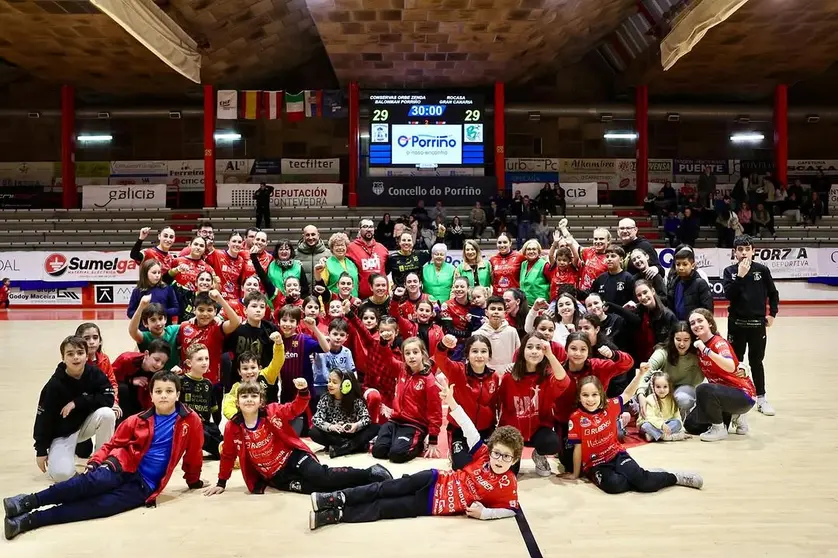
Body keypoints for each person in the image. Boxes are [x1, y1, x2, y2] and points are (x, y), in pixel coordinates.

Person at [5, 371, 205, 540]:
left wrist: (193, 481)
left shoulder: (190, 420)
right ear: (150, 395)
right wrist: (95, 462)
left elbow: (194, 454)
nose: (164, 396)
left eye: (169, 391)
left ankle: (29, 521)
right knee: (85, 485)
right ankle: (28, 501)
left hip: (143, 486)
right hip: (121, 466)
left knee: (98, 506)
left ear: (178, 394)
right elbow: (112, 444)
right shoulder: (136, 420)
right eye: (158, 391)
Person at [308, 375, 522, 529]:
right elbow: (467, 426)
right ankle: (336, 498)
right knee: (384, 488)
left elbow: (511, 509)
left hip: (431, 504)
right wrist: (451, 402)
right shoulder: (483, 454)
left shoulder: (508, 484)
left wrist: (485, 514)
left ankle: (336, 515)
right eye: (497, 453)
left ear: (515, 459)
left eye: (506, 457)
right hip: (433, 479)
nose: (499, 460)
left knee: (384, 508)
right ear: (491, 449)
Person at [204, 379, 391, 497]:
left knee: (322, 477)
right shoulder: (233, 427)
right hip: (275, 476)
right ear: (238, 402)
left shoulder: (272, 411)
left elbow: (294, 408)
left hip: (292, 457)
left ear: (261, 400)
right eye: (244, 396)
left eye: (254, 395)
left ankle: (370, 473)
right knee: (316, 489)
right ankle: (365, 486)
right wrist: (221, 482)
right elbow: (228, 454)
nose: (249, 400)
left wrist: (302, 393)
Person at [564, 371, 703, 493]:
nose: (590, 399)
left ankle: (674, 476)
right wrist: (576, 474)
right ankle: (644, 475)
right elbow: (578, 447)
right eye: (585, 395)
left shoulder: (610, 406)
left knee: (645, 484)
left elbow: (627, 393)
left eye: (594, 394)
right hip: (596, 464)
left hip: (616, 454)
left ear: (601, 394)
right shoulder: (576, 418)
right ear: (579, 397)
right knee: (615, 486)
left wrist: (640, 374)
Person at [32, 336, 116, 482]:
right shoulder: (54, 385)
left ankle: (100, 461)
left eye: (80, 352)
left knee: (107, 414)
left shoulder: (94, 373)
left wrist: (78, 402)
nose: (76, 357)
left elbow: (108, 398)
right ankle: (61, 458)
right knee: (61, 475)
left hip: (86, 425)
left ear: (86, 355)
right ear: (63, 358)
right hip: (63, 433)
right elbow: (43, 418)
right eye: (70, 354)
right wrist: (40, 450)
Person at [722, 235, 779, 416]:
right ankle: (736, 398)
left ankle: (761, 399)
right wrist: (740, 276)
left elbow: (773, 293)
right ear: (735, 252)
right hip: (736, 325)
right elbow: (729, 295)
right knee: (735, 363)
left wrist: (772, 314)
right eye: (740, 249)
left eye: (747, 249)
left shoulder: (762, 270)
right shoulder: (729, 271)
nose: (744, 252)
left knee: (756, 362)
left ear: (753, 251)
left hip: (757, 325)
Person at [498, 334, 570, 476]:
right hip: (514, 431)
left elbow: (564, 381)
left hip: (539, 430)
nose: (534, 351)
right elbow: (500, 404)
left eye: (539, 348)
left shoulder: (548, 376)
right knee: (509, 475)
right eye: (529, 347)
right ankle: (514, 454)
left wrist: (549, 354)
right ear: (522, 351)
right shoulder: (509, 377)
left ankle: (538, 454)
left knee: (552, 443)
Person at [685, 309, 756, 442]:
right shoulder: (698, 346)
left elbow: (730, 366)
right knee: (691, 425)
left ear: (710, 323)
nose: (696, 325)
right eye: (692, 323)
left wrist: (706, 350)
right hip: (723, 395)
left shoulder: (718, 343)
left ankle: (719, 428)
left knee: (703, 389)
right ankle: (733, 416)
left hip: (743, 395)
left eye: (700, 321)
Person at [372, 337, 442, 463]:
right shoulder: (401, 370)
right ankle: (397, 440)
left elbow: (435, 411)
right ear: (403, 356)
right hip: (395, 421)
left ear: (423, 354)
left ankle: (419, 444)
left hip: (414, 424)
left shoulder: (429, 380)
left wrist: (433, 439)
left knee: (397, 455)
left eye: (415, 352)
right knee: (378, 451)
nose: (411, 356)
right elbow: (387, 359)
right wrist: (383, 343)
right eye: (407, 353)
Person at [437, 334, 500, 470]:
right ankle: (453, 453)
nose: (479, 355)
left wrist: (494, 427)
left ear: (489, 354)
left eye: (483, 351)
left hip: (485, 430)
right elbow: (440, 359)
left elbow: (494, 404)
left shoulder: (494, 376)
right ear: (467, 354)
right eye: (474, 351)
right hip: (459, 429)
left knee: (489, 466)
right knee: (462, 466)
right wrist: (443, 345)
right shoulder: (457, 371)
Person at [635, 322, 704, 417]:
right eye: (678, 339)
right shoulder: (662, 352)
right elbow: (645, 373)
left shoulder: (698, 355)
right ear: (672, 338)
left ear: (691, 340)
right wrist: (641, 394)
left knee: (683, 399)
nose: (682, 344)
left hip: (684, 391)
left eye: (686, 340)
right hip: (661, 390)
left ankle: (681, 420)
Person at [310, 369, 380, 458]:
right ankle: (354, 446)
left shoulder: (356, 400)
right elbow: (316, 419)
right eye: (329, 381)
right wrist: (330, 426)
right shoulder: (325, 398)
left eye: (334, 382)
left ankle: (343, 448)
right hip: (335, 434)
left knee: (376, 427)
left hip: (353, 434)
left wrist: (356, 425)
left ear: (346, 385)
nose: (330, 384)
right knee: (313, 432)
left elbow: (366, 418)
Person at [179, 344, 223, 460]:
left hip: (205, 423)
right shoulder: (180, 381)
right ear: (189, 363)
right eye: (199, 359)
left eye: (206, 358)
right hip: (188, 425)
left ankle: (223, 448)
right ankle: (223, 451)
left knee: (217, 434)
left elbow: (214, 409)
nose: (204, 362)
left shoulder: (208, 383)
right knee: (204, 435)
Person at [636, 370, 689, 442]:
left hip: (666, 423)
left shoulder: (671, 400)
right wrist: (661, 425)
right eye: (658, 387)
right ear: (653, 387)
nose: (662, 390)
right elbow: (649, 417)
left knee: (677, 423)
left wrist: (682, 430)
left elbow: (677, 416)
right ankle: (666, 437)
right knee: (646, 426)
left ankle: (654, 435)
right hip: (651, 423)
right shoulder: (650, 399)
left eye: (665, 387)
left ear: (669, 387)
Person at [473, 296, 520, 372]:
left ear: (505, 313)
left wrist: (514, 365)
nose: (496, 312)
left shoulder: (512, 332)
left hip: (508, 375)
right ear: (486, 312)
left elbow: (519, 355)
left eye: (500, 309)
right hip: (487, 376)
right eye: (493, 309)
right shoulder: (477, 334)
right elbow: (473, 359)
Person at [666, 248, 714, 320]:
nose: (681, 268)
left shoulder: (700, 284)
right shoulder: (674, 283)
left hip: (694, 325)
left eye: (685, 264)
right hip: (677, 326)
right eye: (678, 264)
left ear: (693, 265)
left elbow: (708, 310)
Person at [346, 219, 390, 299]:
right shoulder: (350, 248)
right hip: (362, 298)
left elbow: (387, 269)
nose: (368, 229)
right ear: (359, 230)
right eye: (365, 227)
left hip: (383, 297)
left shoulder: (382, 248)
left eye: (371, 227)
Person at [297, 226, 332, 293]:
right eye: (307, 235)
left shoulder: (329, 254)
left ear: (318, 235)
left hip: (322, 296)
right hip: (302, 297)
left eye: (313, 234)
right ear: (303, 236)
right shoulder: (295, 255)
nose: (310, 238)